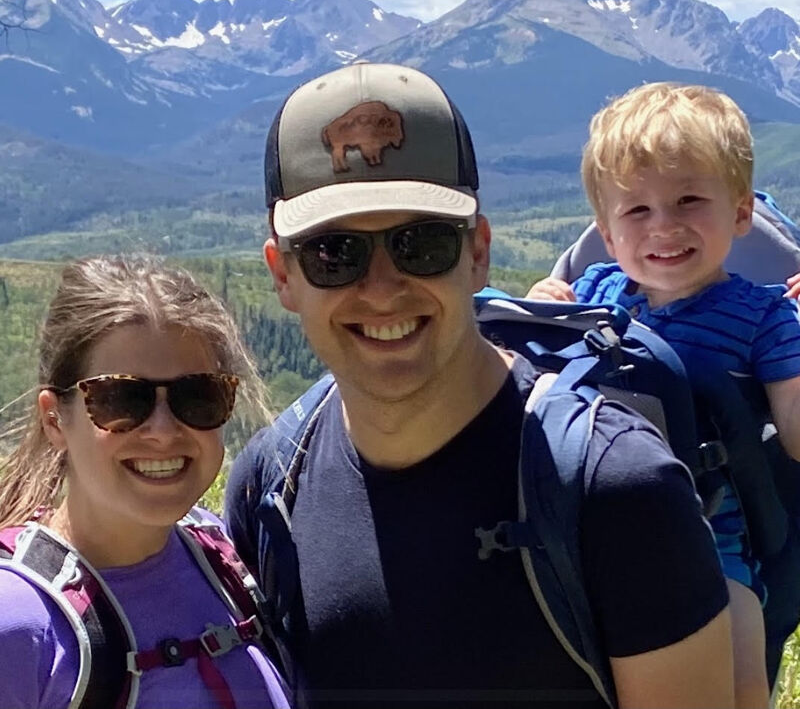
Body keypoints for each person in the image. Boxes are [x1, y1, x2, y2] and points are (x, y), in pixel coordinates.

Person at [225, 62, 734, 708]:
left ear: (478, 252)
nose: (382, 287)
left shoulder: (618, 489)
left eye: (422, 243)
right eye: (335, 253)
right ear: (282, 273)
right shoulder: (268, 492)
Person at [527, 82, 800, 707]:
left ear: (739, 213)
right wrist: (540, 316)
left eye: (688, 200)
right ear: (606, 228)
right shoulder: (592, 293)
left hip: (709, 547)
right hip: (578, 536)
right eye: (637, 211)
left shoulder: (765, 318)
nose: (664, 226)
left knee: (738, 673)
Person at [0, 255, 290, 709]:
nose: (162, 430)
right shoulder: (17, 625)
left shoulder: (230, 563)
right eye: (120, 398)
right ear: (54, 420)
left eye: (197, 396)